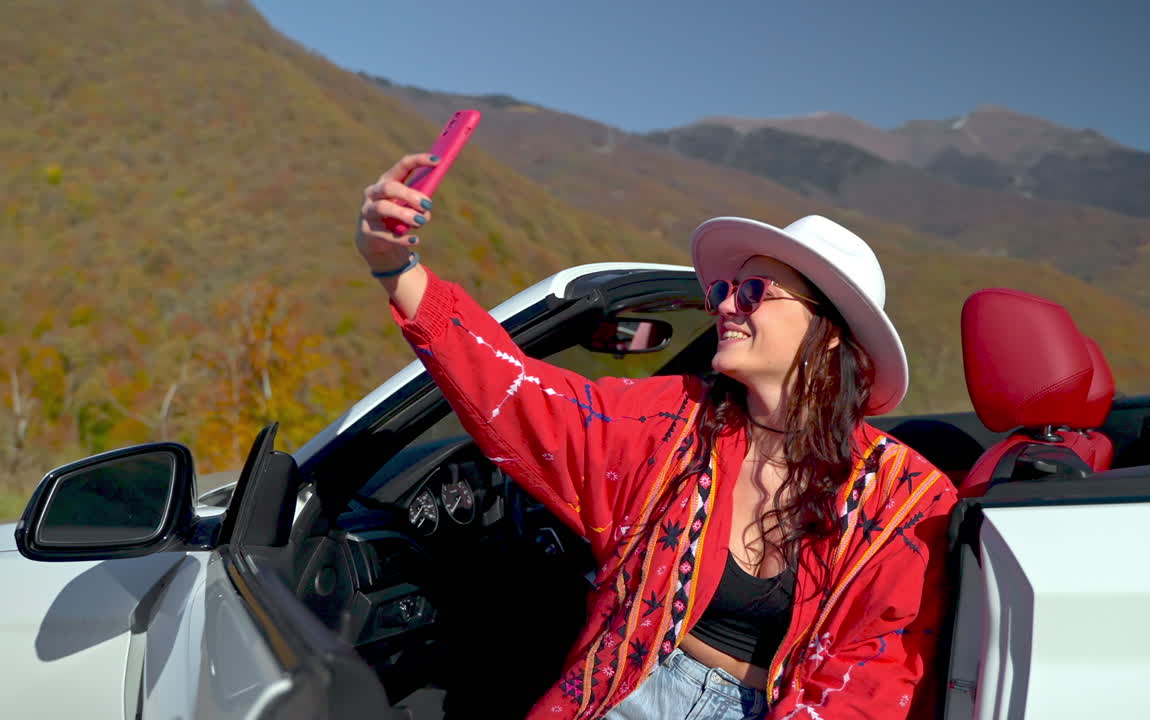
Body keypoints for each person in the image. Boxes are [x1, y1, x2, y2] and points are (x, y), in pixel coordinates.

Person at [356, 154, 958, 720]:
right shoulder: (669, 424)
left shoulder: (904, 497)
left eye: (752, 293)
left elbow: (875, 677)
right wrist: (398, 269)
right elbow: (517, 395)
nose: (724, 306)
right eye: (723, 291)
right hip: (630, 690)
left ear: (829, 332)